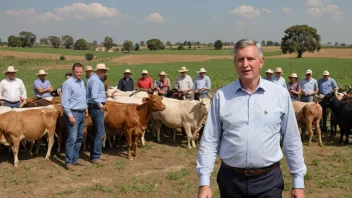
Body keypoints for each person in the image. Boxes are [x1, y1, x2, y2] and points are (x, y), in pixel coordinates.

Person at [196, 39, 306, 198]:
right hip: (231, 181)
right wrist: (204, 182)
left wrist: (298, 182)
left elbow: (292, 140)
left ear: (261, 62)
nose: (245, 64)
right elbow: (210, 140)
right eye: (240, 59)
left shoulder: (279, 95)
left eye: (250, 59)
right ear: (235, 63)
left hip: (268, 181)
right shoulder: (222, 97)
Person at [61, 63, 87, 170]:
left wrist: (85, 109)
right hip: (74, 113)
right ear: (72, 72)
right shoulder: (68, 83)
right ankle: (68, 162)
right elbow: (64, 101)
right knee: (72, 138)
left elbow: (82, 97)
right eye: (77, 72)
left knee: (79, 137)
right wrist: (70, 115)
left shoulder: (81, 82)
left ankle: (75, 159)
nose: (79, 74)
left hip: (82, 113)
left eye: (81, 72)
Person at [86, 63, 108, 165]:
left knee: (96, 131)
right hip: (96, 107)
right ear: (98, 71)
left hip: (93, 107)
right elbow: (94, 96)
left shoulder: (92, 79)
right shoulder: (95, 80)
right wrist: (100, 105)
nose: (104, 73)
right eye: (103, 71)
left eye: (105, 71)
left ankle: (96, 154)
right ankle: (95, 156)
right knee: (100, 132)